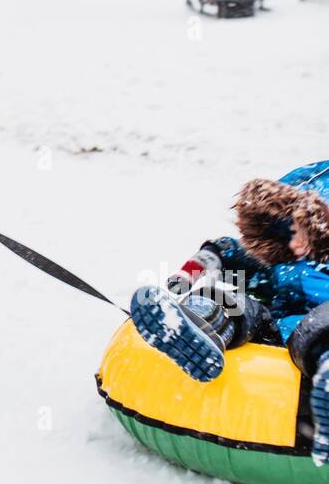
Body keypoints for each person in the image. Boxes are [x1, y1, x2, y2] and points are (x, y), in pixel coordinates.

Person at [130, 160, 329, 465]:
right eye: (286, 230)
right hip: (281, 326)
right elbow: (237, 254)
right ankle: (193, 327)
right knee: (235, 303)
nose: (294, 243)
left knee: (319, 328)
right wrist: (202, 264)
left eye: (302, 231)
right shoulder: (284, 256)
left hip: (317, 332)